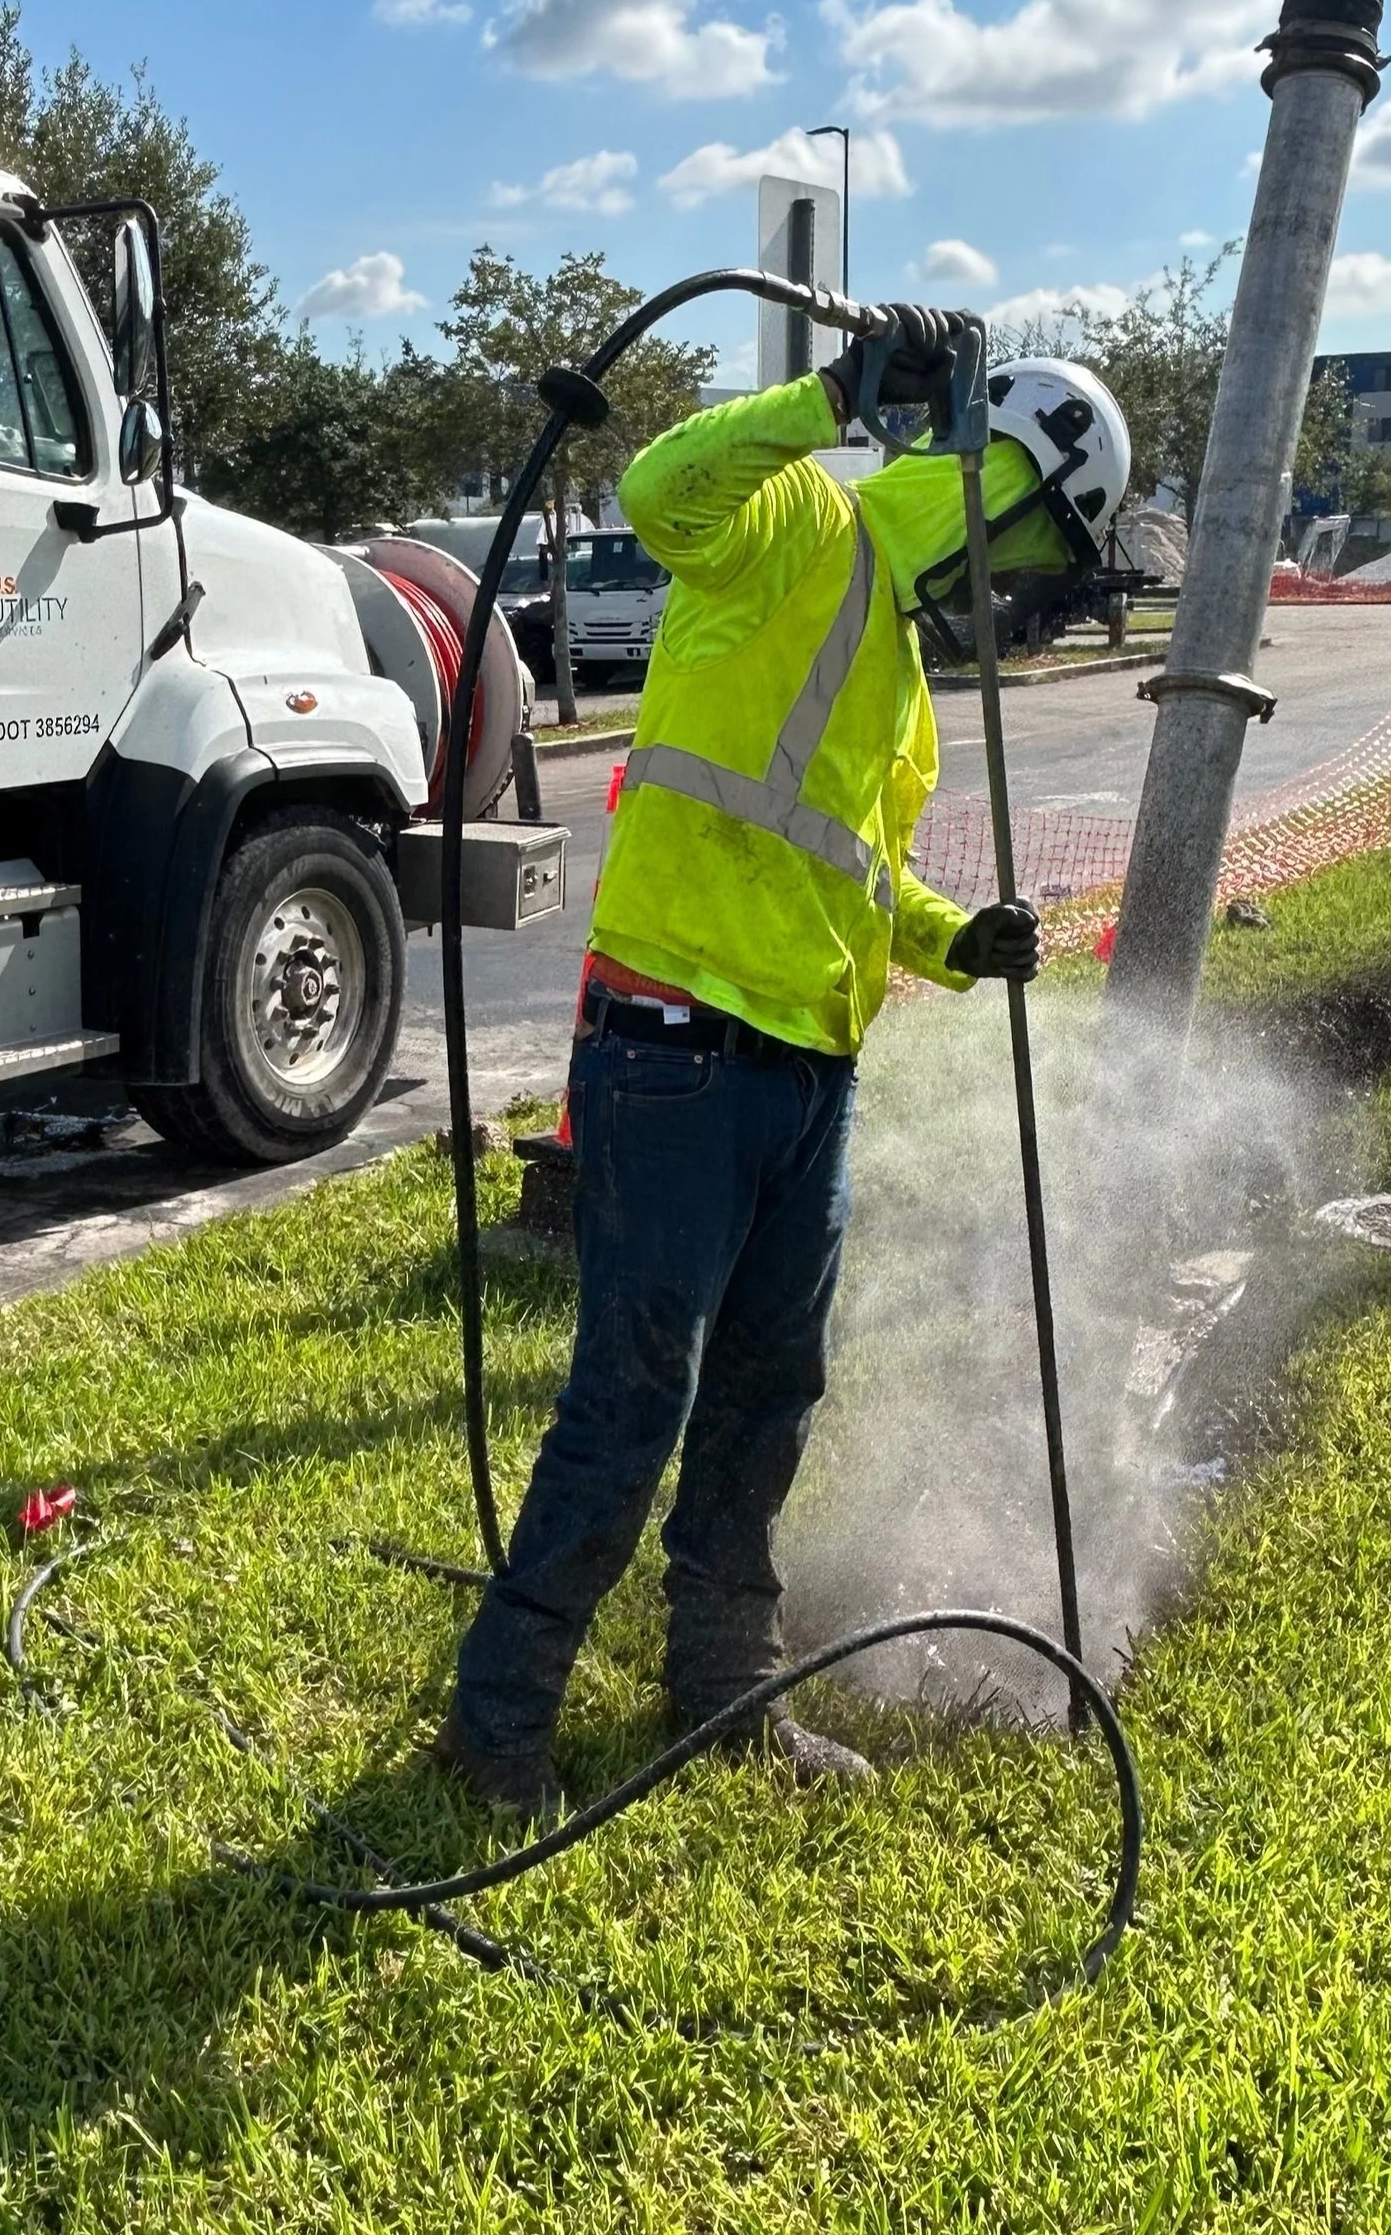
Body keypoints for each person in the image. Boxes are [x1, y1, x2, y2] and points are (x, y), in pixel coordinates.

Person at [436, 312, 1132, 1817]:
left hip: (807, 1072)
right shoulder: (802, 525)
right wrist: (830, 397)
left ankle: (724, 1691)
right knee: (632, 1399)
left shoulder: (891, 652)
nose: (1018, 602)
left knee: (768, 1394)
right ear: (1000, 488)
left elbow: (854, 876)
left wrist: (960, 943)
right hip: (679, 1043)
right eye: (1030, 560)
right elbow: (666, 490)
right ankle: (497, 1728)